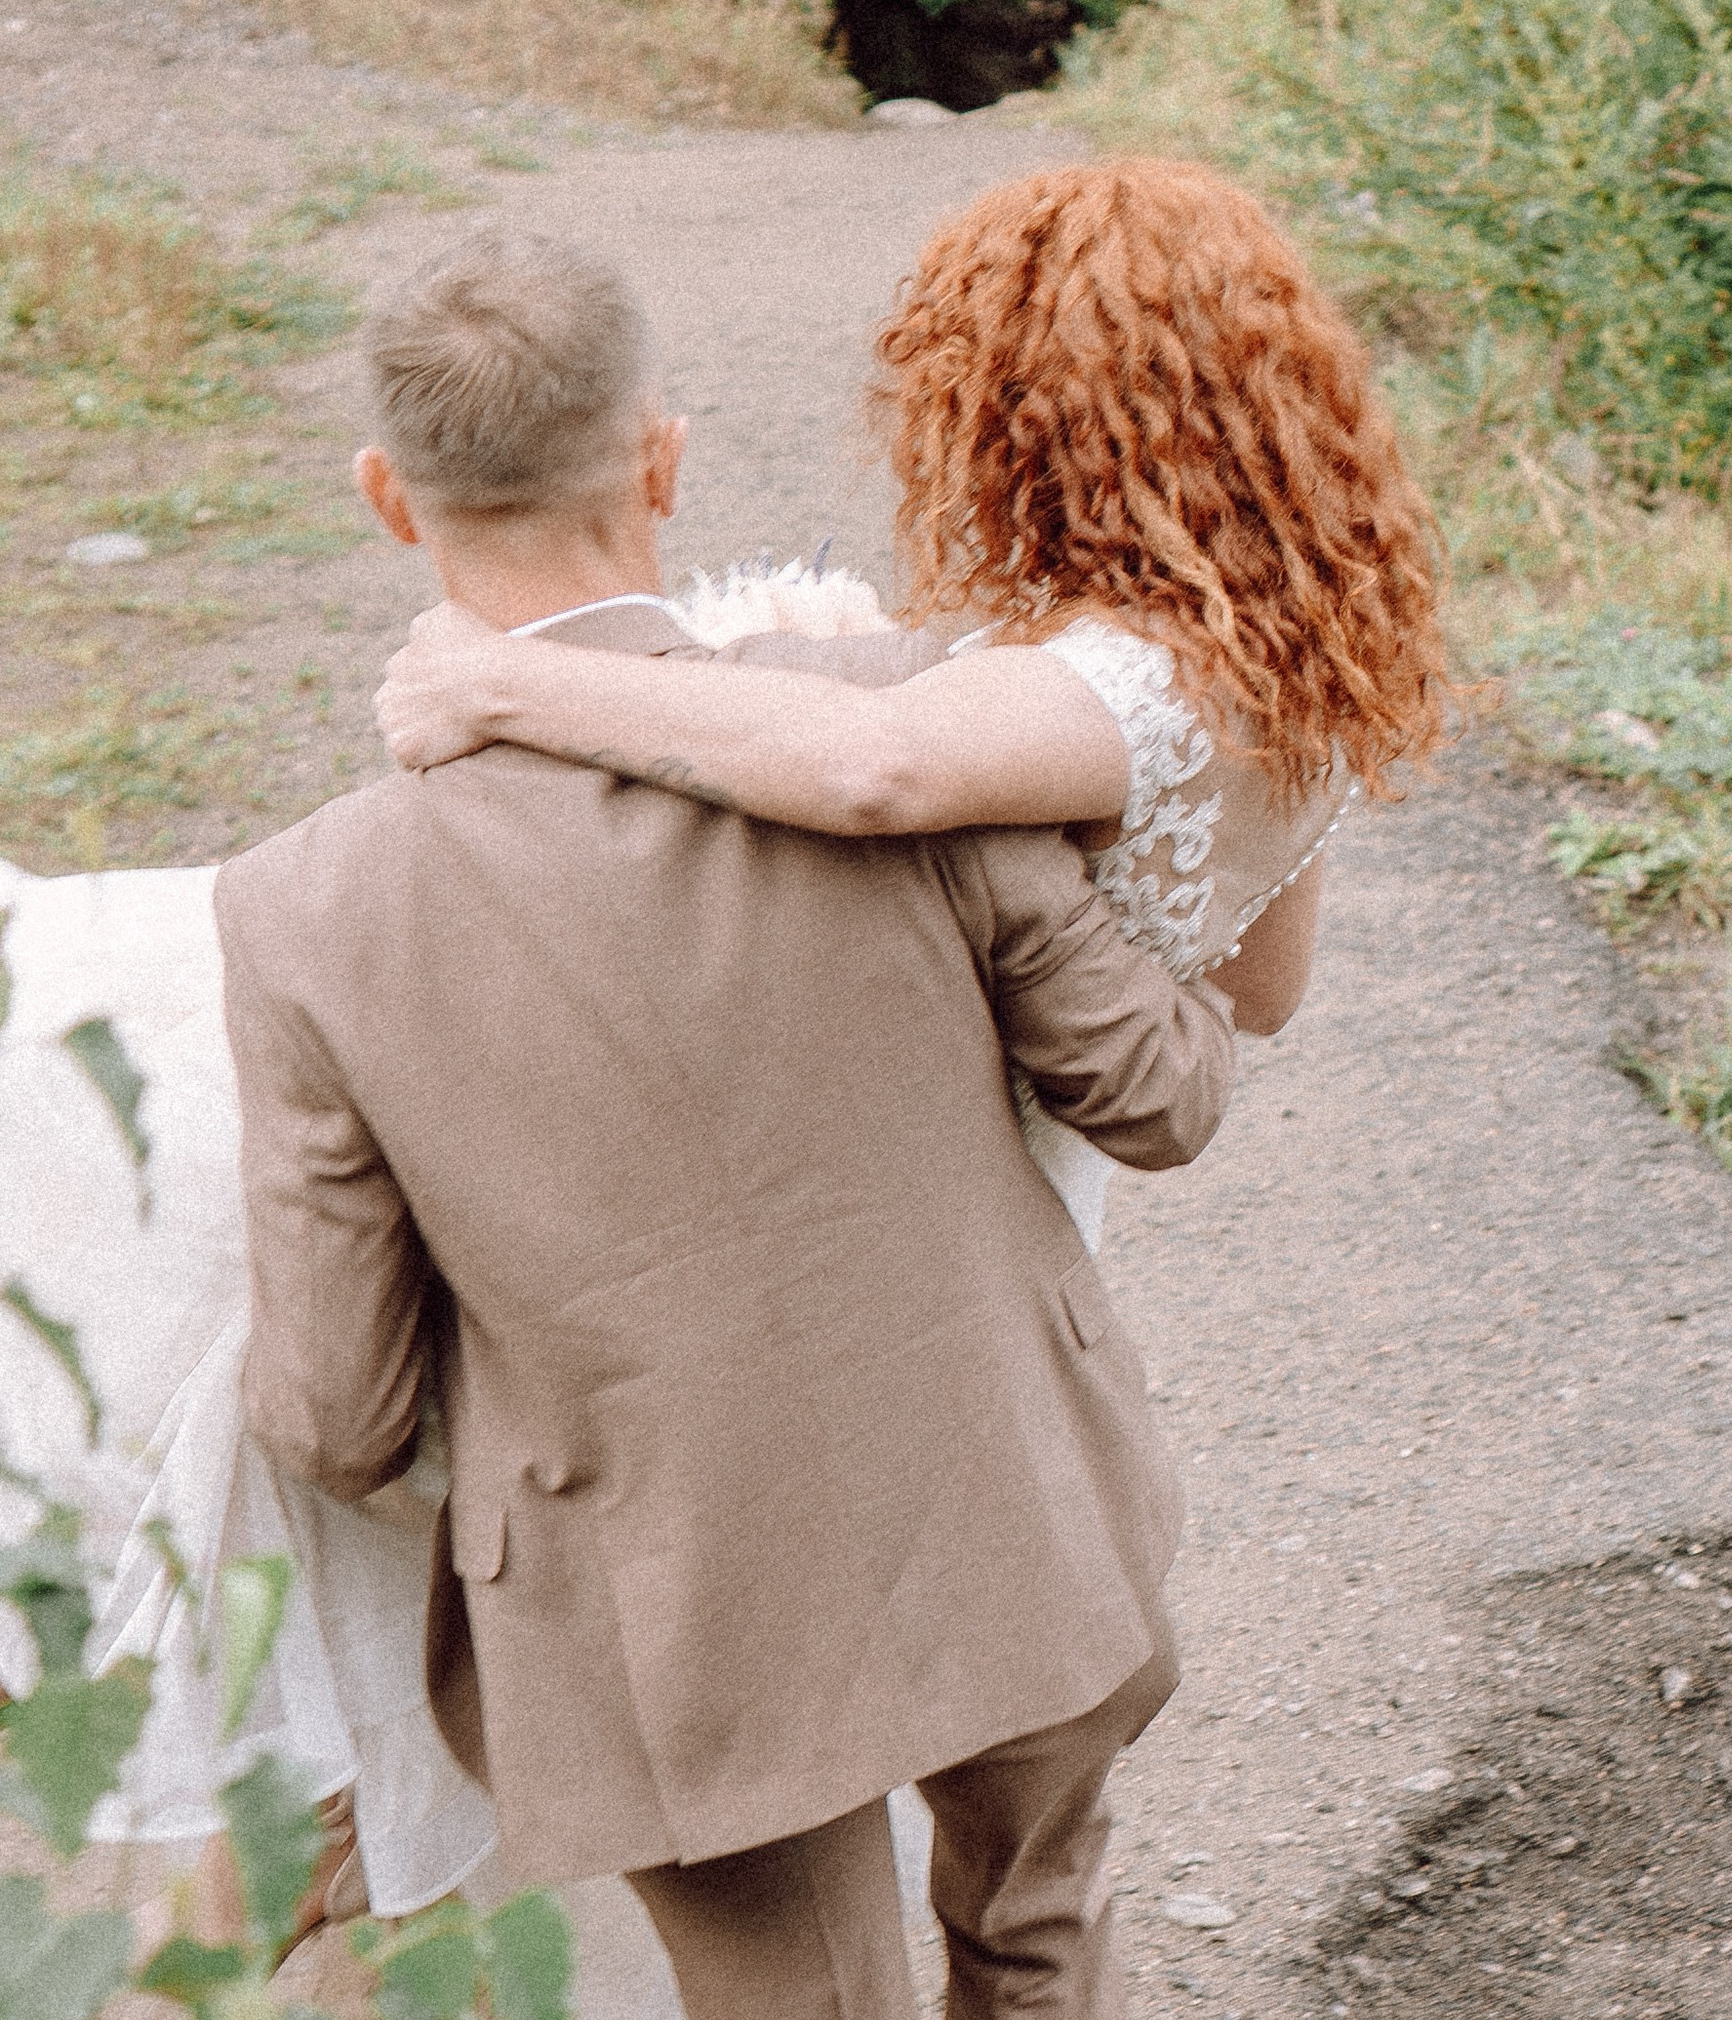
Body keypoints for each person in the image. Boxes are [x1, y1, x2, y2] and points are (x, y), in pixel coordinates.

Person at [217, 232, 1241, 2020]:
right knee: (1035, 1914)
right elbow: (1162, 1092)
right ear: (662, 460)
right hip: (1012, 1524)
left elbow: (333, 1417)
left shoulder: (312, 914)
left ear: (383, 500)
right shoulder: (886, 719)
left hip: (690, 1642)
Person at [372, 156, 1448, 1267]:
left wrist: (500, 680)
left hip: (911, 1208)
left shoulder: (1122, 682)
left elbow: (876, 768)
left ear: (1027, 423)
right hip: (1044, 1200)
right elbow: (1260, 992)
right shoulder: (1289, 653)